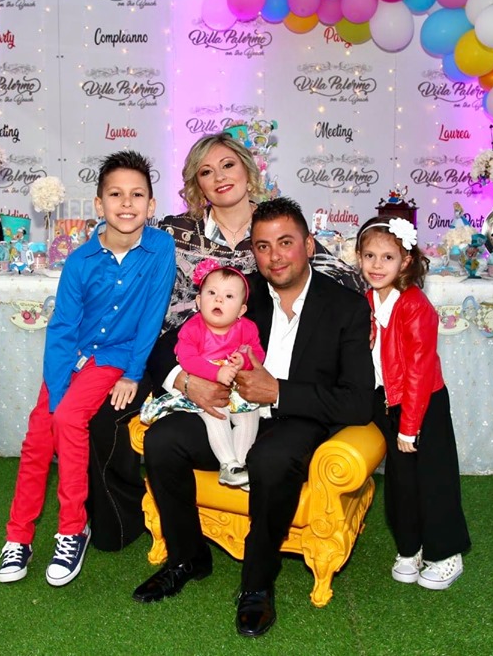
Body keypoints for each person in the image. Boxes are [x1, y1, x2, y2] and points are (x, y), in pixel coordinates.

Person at [82, 132, 362, 553]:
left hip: (243, 362)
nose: (219, 177)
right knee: (106, 411)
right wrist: (181, 378)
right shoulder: (174, 231)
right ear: (196, 184)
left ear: (248, 171)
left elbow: (339, 275)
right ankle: (118, 525)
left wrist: (369, 312)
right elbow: (124, 261)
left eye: (228, 165)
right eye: (206, 172)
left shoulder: (272, 228)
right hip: (171, 351)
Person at [132, 198, 374, 638]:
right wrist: (187, 382)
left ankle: (257, 583)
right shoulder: (242, 295)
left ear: (309, 245)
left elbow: (359, 401)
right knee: (162, 440)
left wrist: (278, 392)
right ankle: (187, 558)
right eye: (262, 246)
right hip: (233, 413)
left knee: (270, 459)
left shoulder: (346, 307)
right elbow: (167, 346)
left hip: (297, 418)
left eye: (285, 243)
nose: (274, 256)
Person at [0, 150, 175, 586]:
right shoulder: (80, 260)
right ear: (99, 204)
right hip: (72, 357)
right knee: (38, 435)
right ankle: (18, 536)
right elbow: (62, 329)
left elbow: (152, 316)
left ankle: (73, 529)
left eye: (137, 195)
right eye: (116, 194)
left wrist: (133, 373)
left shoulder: (160, 248)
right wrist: (55, 394)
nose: (127, 203)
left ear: (151, 204)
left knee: (70, 419)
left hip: (115, 358)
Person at [355, 216, 470, 591]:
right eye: (369, 256)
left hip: (422, 404)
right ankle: (410, 548)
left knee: (434, 480)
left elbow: (420, 369)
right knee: (401, 483)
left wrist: (409, 427)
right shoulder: (368, 299)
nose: (376, 265)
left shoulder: (415, 305)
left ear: (405, 261)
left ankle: (446, 553)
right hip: (389, 402)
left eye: (387, 257)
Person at [140, 258, 266, 488]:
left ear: (241, 310)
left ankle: (240, 465)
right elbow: (187, 359)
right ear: (198, 301)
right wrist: (216, 373)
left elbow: (257, 353)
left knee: (249, 415)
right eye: (212, 293)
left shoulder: (247, 328)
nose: (219, 299)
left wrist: (244, 361)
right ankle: (228, 463)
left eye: (229, 296)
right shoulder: (193, 328)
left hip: (235, 388)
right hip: (202, 385)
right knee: (216, 412)